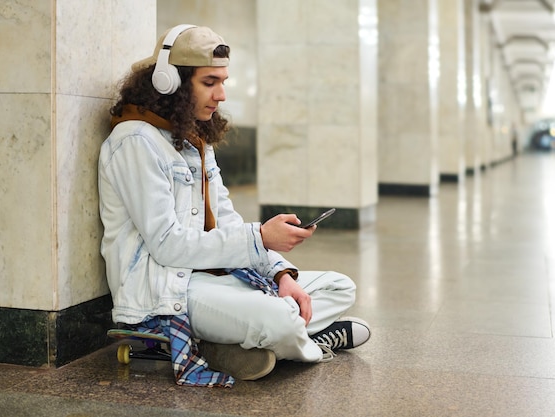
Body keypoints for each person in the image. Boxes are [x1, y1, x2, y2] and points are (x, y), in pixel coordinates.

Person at [98, 24, 370, 388]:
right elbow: (167, 244)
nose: (221, 94)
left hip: (217, 276)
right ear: (171, 83)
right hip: (170, 290)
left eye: (223, 81)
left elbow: (226, 219)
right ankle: (302, 343)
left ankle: (241, 342)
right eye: (209, 82)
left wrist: (279, 274)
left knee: (339, 287)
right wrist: (260, 237)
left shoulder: (193, 140)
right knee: (283, 318)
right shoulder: (134, 142)